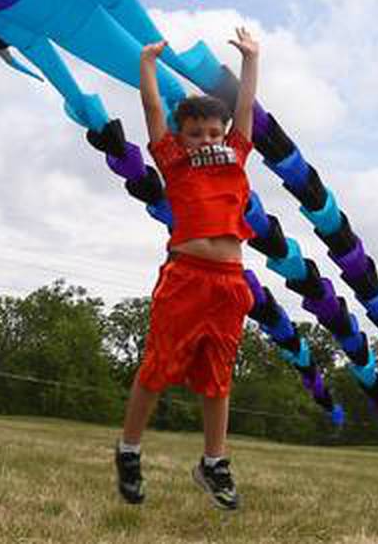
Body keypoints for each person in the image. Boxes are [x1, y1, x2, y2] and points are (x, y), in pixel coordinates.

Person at [114, 27, 259, 511]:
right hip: (186, 277)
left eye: (212, 133)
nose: (205, 139)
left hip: (229, 284)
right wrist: (147, 64)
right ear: (182, 136)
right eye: (195, 133)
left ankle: (214, 463)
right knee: (158, 369)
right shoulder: (175, 162)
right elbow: (154, 112)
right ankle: (129, 450)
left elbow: (244, 111)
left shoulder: (236, 155)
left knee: (218, 378)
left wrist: (250, 62)